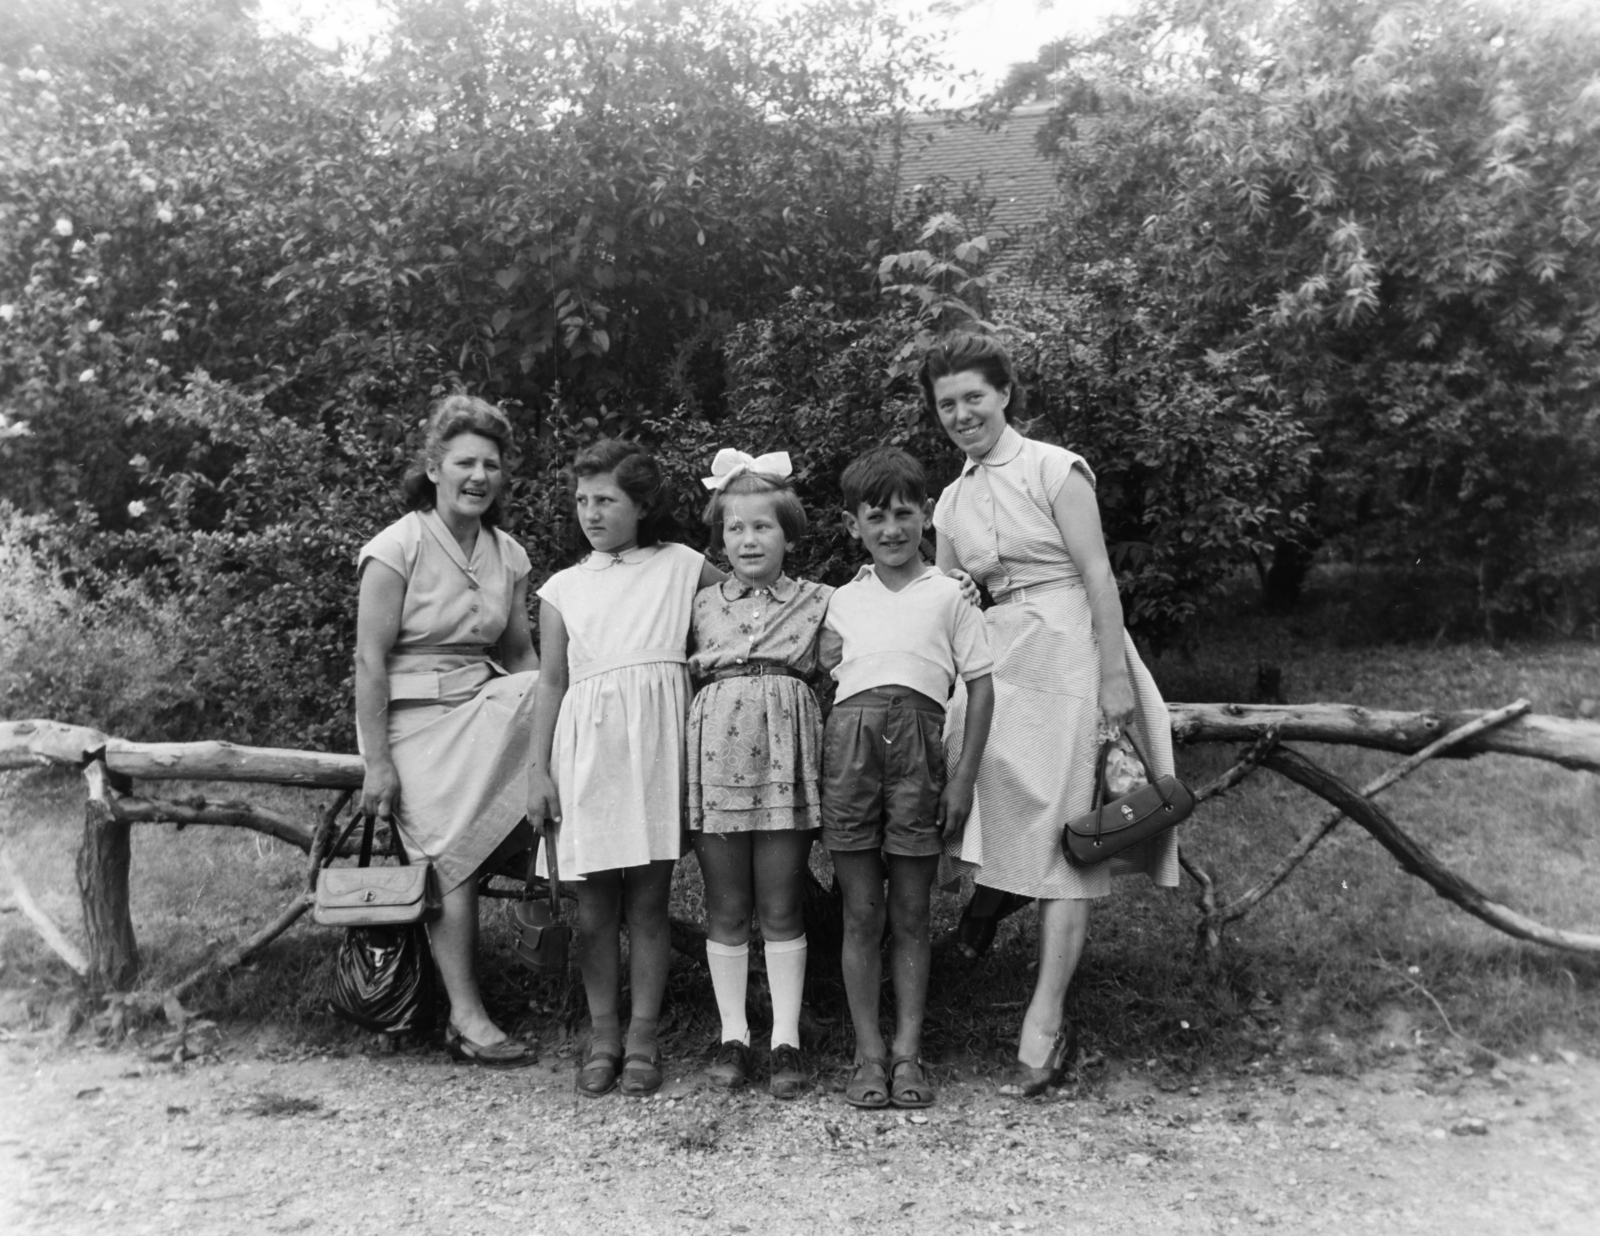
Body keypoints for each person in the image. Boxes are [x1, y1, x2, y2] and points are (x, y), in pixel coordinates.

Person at [922, 331, 1180, 1097]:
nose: (962, 414)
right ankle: (989, 900)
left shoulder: (1055, 468)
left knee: (1071, 834)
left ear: (1005, 394)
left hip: (1070, 646)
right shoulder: (951, 500)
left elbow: (1098, 574)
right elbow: (948, 594)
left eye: (974, 397)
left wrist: (1112, 679)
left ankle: (1045, 1018)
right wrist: (958, 593)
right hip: (998, 655)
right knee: (974, 777)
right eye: (947, 404)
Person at [526, 440, 725, 1098]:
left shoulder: (681, 566)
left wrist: (709, 664)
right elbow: (551, 681)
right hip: (587, 751)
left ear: (641, 505)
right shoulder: (562, 589)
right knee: (593, 909)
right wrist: (537, 770)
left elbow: (743, 604)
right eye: (582, 500)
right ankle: (603, 1034)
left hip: (656, 746)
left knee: (647, 902)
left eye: (606, 500)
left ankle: (643, 1035)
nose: (591, 512)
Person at [354, 394, 540, 1068]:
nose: (478, 476)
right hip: (410, 724)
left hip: (481, 709)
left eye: (490, 464)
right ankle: (465, 1015)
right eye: (464, 462)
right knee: (447, 849)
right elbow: (369, 660)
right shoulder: (396, 546)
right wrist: (378, 763)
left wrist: (557, 725)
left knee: (557, 696)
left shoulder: (508, 553)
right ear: (434, 468)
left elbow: (520, 656)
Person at [818, 446, 995, 1110]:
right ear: (853, 526)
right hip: (852, 753)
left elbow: (982, 689)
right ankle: (868, 1053)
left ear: (926, 514)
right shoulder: (840, 601)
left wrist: (963, 779)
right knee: (861, 911)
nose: (891, 530)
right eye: (876, 517)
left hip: (922, 753)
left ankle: (908, 1052)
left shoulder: (950, 593)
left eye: (903, 514)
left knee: (913, 911)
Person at [687, 449, 833, 1099]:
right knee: (726, 904)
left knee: (780, 903)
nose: (748, 539)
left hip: (783, 758)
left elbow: (889, 614)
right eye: (735, 528)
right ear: (720, 538)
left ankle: (786, 1040)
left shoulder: (822, 602)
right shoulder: (698, 604)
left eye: (763, 526)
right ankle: (733, 1035)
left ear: (788, 533)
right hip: (715, 755)